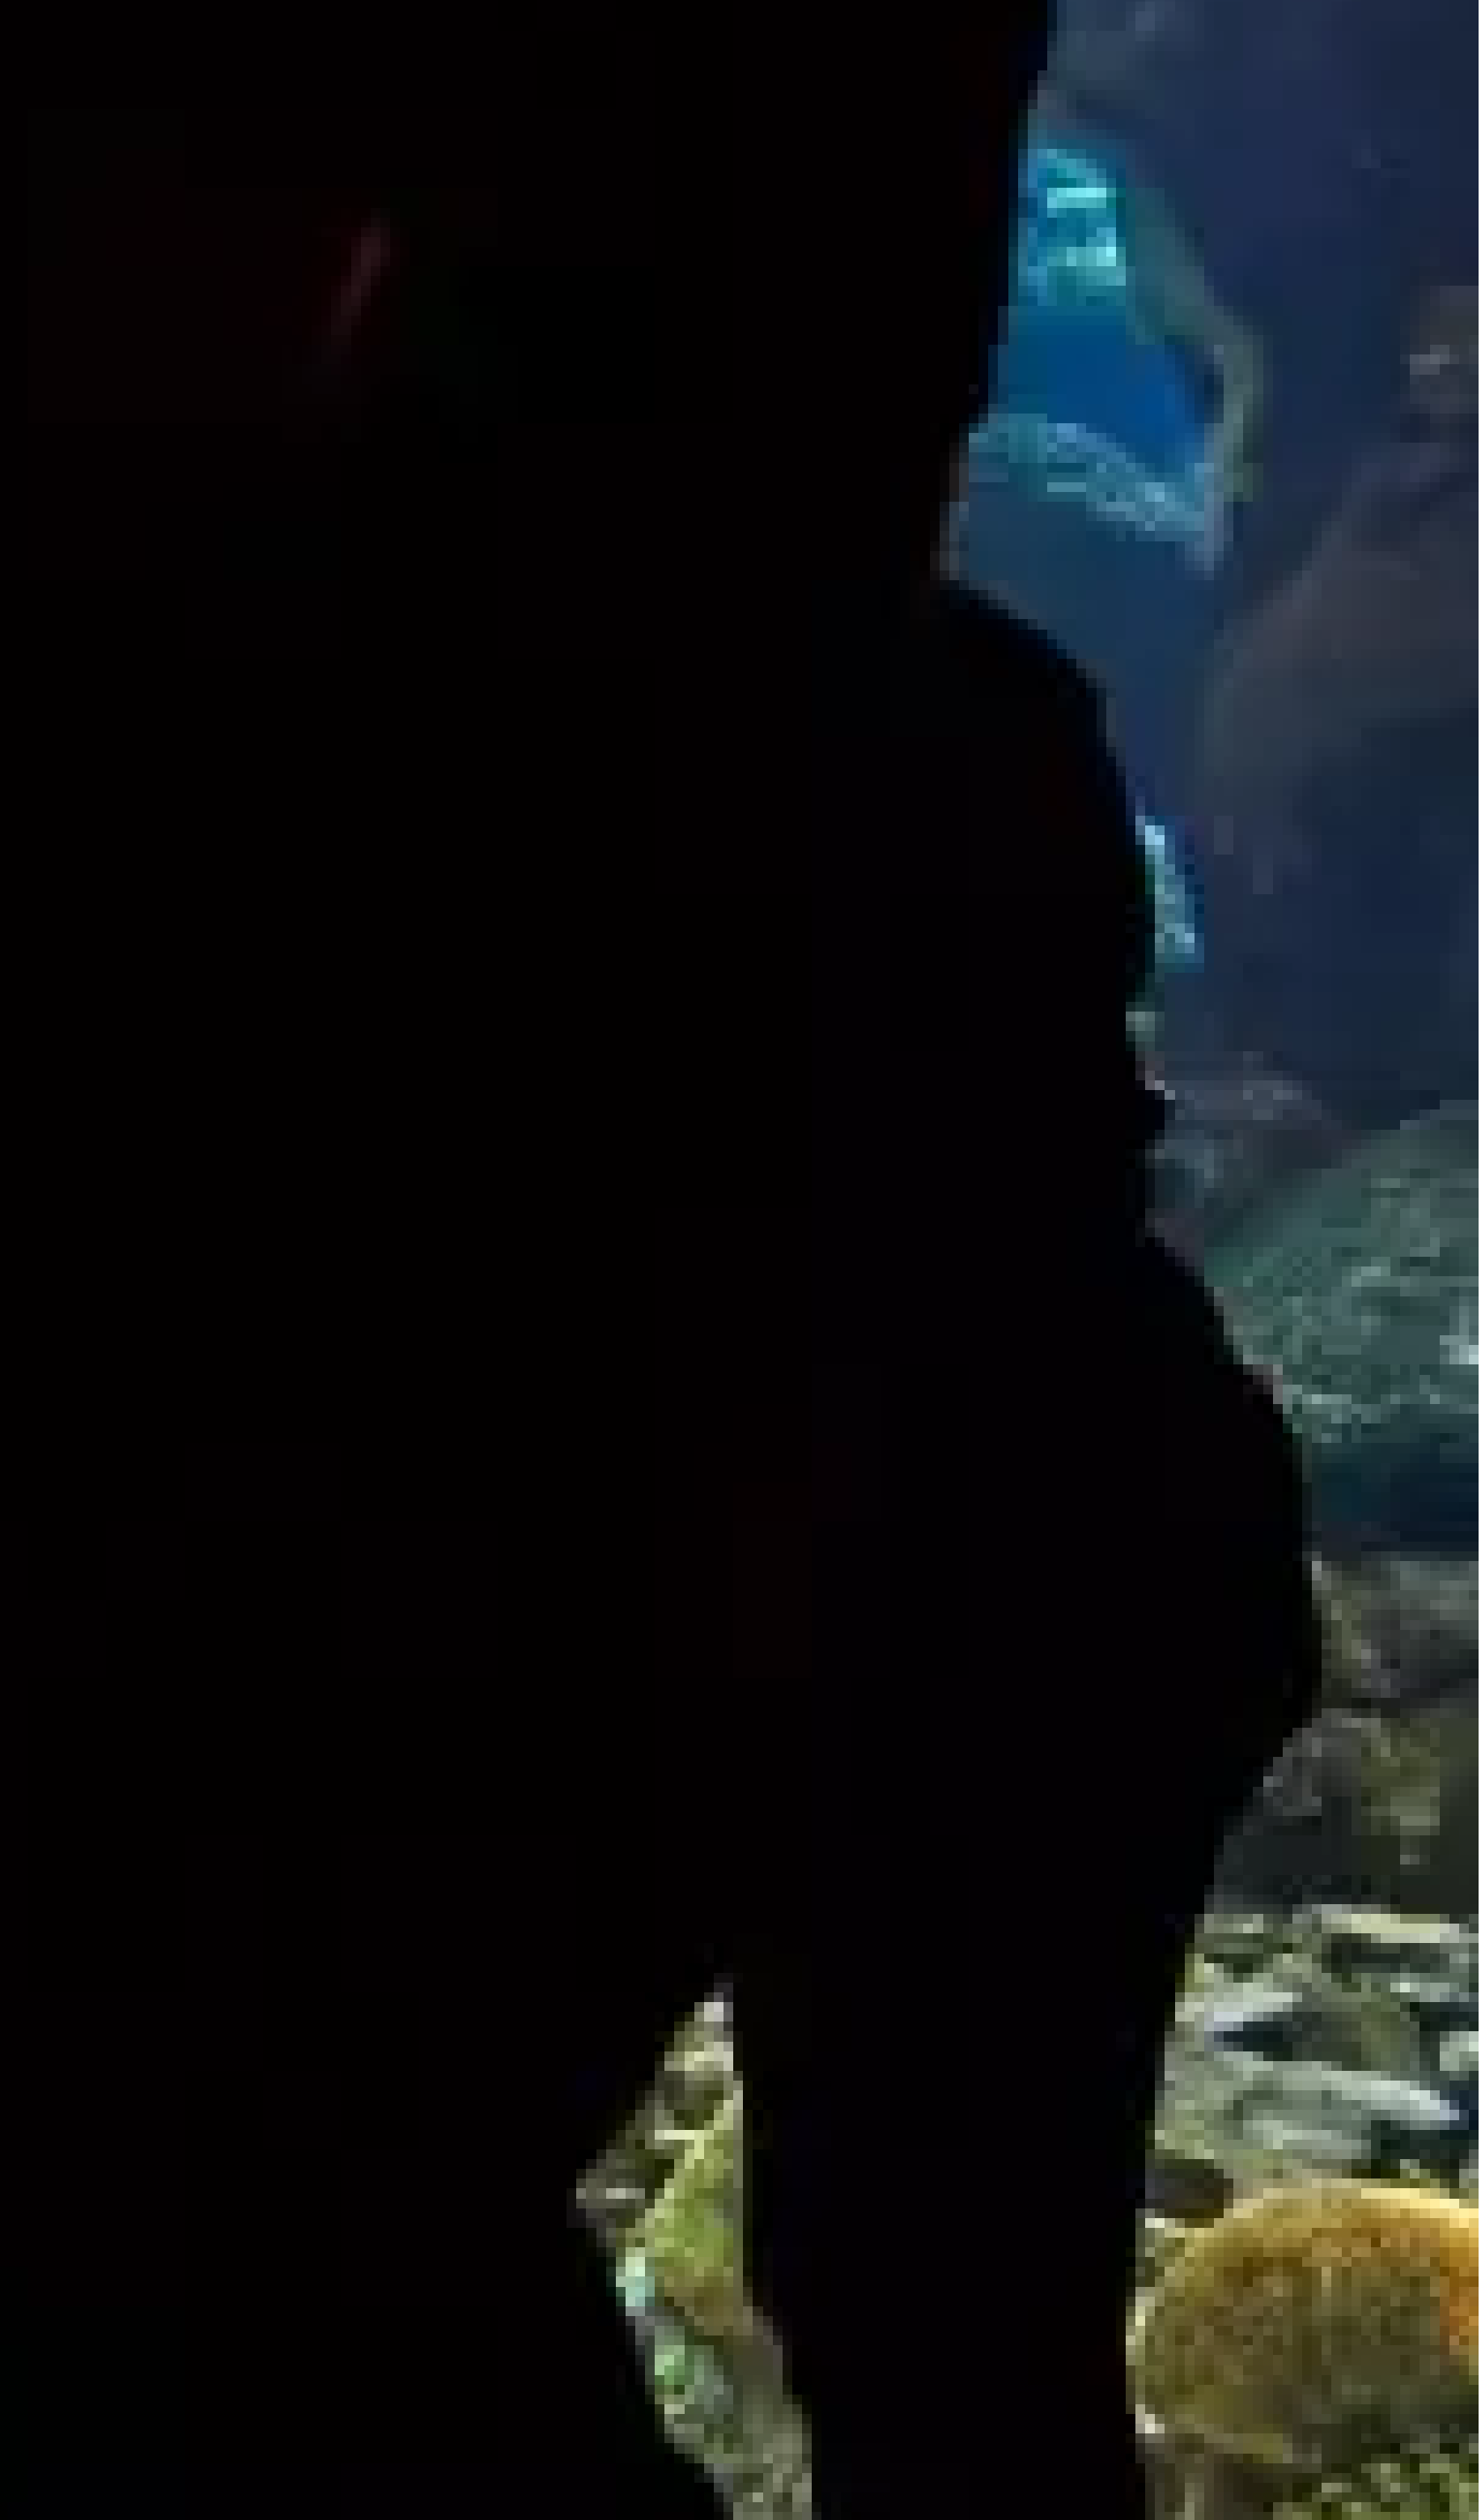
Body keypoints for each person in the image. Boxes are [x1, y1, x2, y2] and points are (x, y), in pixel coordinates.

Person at [0, 0, 1059, 2517]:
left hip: (254, 1249)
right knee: (402, 2209)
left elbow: (84, 422)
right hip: (712, 1254)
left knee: (148, 2254)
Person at [727, 582, 1318, 2520]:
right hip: (1086, 1472)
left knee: (922, 2293)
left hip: (987, 1503)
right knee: (941, 2304)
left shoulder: (810, 679)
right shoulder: (960, 679)